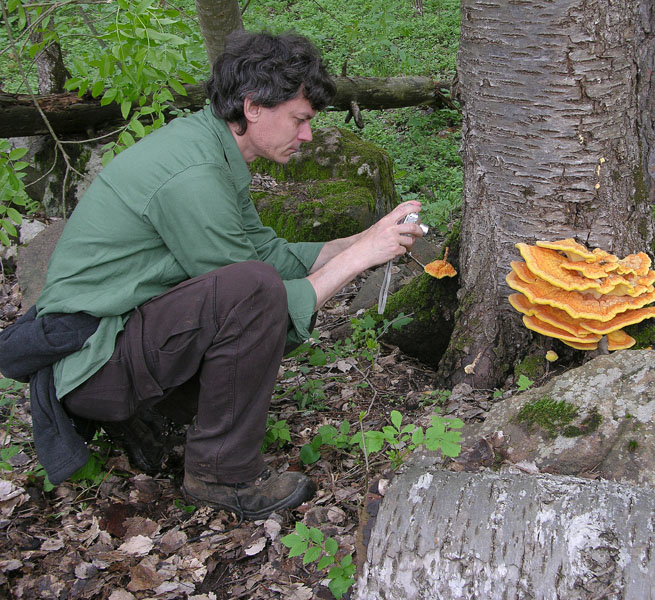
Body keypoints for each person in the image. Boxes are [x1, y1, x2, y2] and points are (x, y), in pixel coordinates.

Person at [18, 31, 425, 519]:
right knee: (252, 292)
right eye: (300, 120)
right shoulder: (194, 175)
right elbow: (255, 297)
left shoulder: (213, 149)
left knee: (253, 281)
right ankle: (220, 474)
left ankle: (160, 419)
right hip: (90, 364)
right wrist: (357, 261)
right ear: (253, 107)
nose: (308, 135)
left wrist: (364, 240)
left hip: (113, 343)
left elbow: (267, 255)